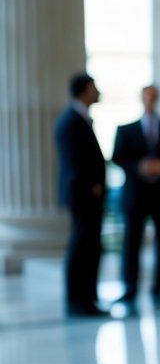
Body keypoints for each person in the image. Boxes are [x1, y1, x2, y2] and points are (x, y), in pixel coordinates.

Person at [112, 84, 160, 312]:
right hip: (136, 194)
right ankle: (130, 289)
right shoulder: (126, 130)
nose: (151, 101)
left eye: (154, 97)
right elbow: (118, 157)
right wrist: (140, 167)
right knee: (132, 242)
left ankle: (159, 290)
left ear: (158, 99)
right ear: (142, 99)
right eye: (147, 97)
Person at [54, 72, 109, 318]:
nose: (97, 91)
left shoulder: (80, 119)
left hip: (89, 196)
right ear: (85, 90)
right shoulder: (70, 121)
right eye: (93, 87)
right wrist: (91, 185)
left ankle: (88, 298)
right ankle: (78, 301)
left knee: (89, 247)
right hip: (82, 195)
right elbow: (73, 162)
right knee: (81, 247)